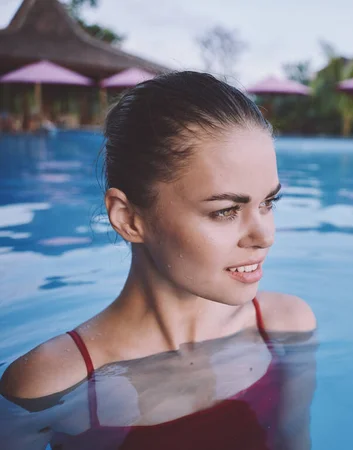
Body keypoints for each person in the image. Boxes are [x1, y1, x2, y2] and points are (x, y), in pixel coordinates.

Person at [0, 71, 317, 449]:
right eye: (225, 211)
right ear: (129, 219)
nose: (265, 235)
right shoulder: (50, 383)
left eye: (268, 202)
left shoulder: (286, 328)